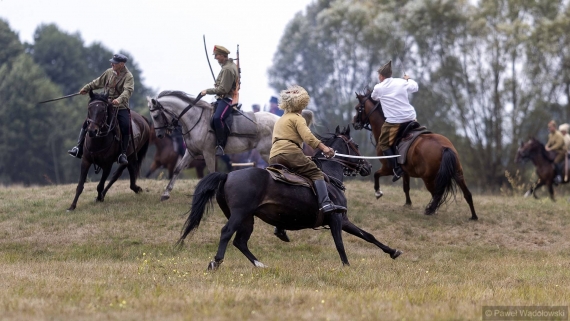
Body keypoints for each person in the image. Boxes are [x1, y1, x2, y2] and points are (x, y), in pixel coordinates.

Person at [269, 85, 346, 242]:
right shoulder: (297, 118)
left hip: (275, 155)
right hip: (290, 153)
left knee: (292, 183)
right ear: (301, 104)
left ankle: (280, 225)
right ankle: (326, 204)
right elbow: (309, 138)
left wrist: (301, 158)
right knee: (316, 173)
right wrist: (325, 148)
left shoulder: (281, 119)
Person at [68, 53, 134, 165]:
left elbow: (128, 91)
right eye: (112, 62)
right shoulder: (109, 72)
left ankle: (122, 153)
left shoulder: (129, 76)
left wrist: (119, 99)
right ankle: (78, 148)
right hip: (106, 103)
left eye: (115, 62)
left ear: (122, 64)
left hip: (120, 106)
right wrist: (86, 88)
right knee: (88, 122)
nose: (111, 63)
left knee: (125, 125)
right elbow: (97, 82)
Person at [370, 60, 419, 182]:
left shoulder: (378, 87)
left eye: (378, 75)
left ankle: (397, 169)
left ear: (381, 76)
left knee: (383, 143)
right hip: (411, 118)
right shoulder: (401, 82)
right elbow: (415, 87)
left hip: (394, 122)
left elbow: (373, 97)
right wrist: (408, 79)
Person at [200, 45, 239, 156]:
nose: (215, 58)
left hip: (227, 99)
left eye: (216, 55)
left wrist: (207, 91)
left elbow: (223, 89)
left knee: (218, 118)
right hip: (222, 97)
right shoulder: (227, 66)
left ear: (222, 56)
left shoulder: (227, 69)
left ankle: (221, 145)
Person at [545, 120, 567, 184]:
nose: (549, 128)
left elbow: (559, 144)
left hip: (561, 152)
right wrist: (546, 147)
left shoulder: (558, 134)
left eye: (550, 127)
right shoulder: (550, 135)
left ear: (554, 127)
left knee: (556, 161)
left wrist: (550, 149)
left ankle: (559, 176)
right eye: (548, 127)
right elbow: (549, 143)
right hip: (554, 152)